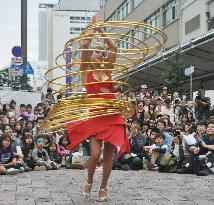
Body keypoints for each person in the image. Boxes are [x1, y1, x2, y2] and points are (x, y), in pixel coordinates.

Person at [66, 16, 130, 202]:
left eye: (101, 53)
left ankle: (103, 187)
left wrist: (101, 30)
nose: (100, 54)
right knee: (94, 154)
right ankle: (89, 181)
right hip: (96, 116)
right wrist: (92, 29)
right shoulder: (86, 72)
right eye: (97, 52)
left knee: (108, 155)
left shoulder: (108, 71)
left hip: (113, 116)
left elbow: (114, 48)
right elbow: (85, 45)